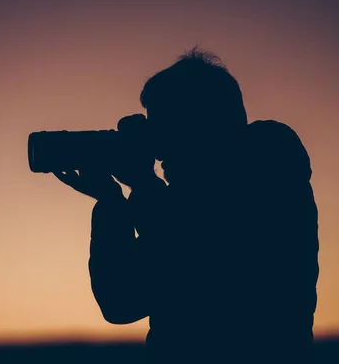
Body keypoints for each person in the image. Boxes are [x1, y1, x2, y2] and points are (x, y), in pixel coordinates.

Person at [54, 48, 319, 363]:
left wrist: (137, 184)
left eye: (161, 123)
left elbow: (199, 248)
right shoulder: (192, 195)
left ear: (195, 119)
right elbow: (125, 296)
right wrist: (113, 201)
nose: (156, 143)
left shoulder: (268, 166)